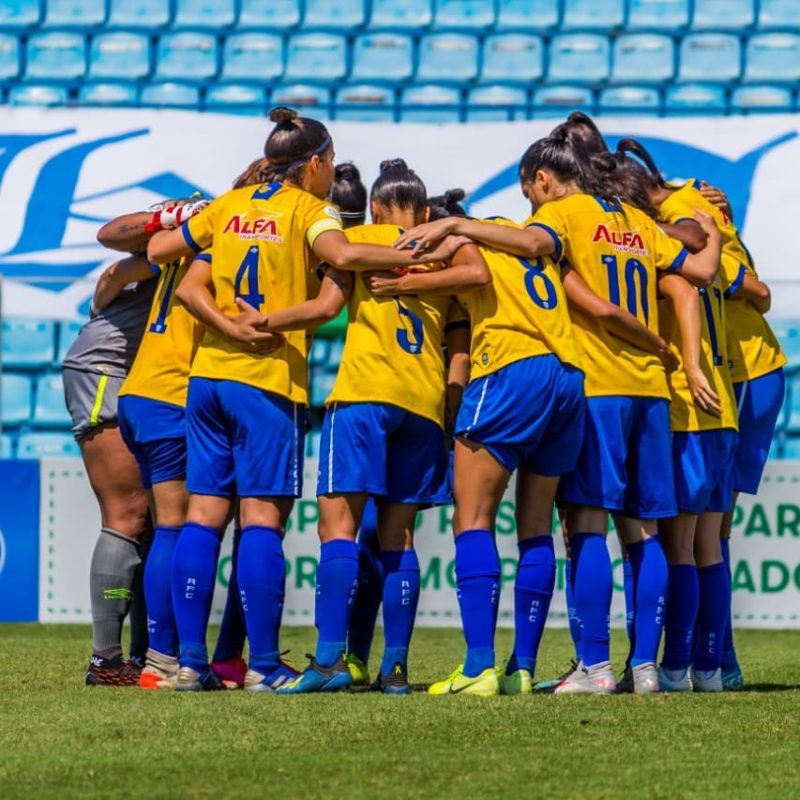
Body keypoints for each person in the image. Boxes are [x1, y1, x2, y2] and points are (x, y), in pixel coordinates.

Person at [146, 108, 467, 692]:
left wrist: (228, 323)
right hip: (269, 381)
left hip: (208, 377)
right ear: (316, 164)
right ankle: (264, 665)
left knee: (201, 516)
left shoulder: (230, 204)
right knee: (263, 519)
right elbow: (338, 270)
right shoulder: (314, 213)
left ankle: (189, 663)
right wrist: (409, 257)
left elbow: (167, 258)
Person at [393, 129, 721, 695]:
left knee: (583, 524)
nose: (531, 208)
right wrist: (709, 235)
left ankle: (584, 666)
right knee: (644, 532)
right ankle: (645, 667)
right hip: (648, 388)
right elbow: (695, 273)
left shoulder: (561, 217)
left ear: (544, 180)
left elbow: (532, 248)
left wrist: (455, 224)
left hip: (596, 380)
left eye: (530, 193)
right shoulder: (637, 223)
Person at [234, 158, 485, 694]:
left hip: (364, 397)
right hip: (421, 405)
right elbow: (458, 350)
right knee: (400, 540)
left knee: (338, 532)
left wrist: (263, 322)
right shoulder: (440, 255)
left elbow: (325, 306)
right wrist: (448, 410)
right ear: (424, 210)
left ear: (373, 206)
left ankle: (329, 661)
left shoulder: (359, 240)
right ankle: (394, 669)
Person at [613, 138, 786, 690]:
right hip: (724, 397)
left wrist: (687, 363)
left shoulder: (677, 231)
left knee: (682, 541)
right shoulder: (697, 220)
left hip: (709, 393)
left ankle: (680, 664)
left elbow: (755, 292)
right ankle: (713, 665)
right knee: (710, 537)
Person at [62, 256, 156, 686]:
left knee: (152, 519)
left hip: (128, 373)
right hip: (106, 369)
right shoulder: (171, 247)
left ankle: (141, 655)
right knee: (128, 512)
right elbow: (111, 274)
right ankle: (106, 660)